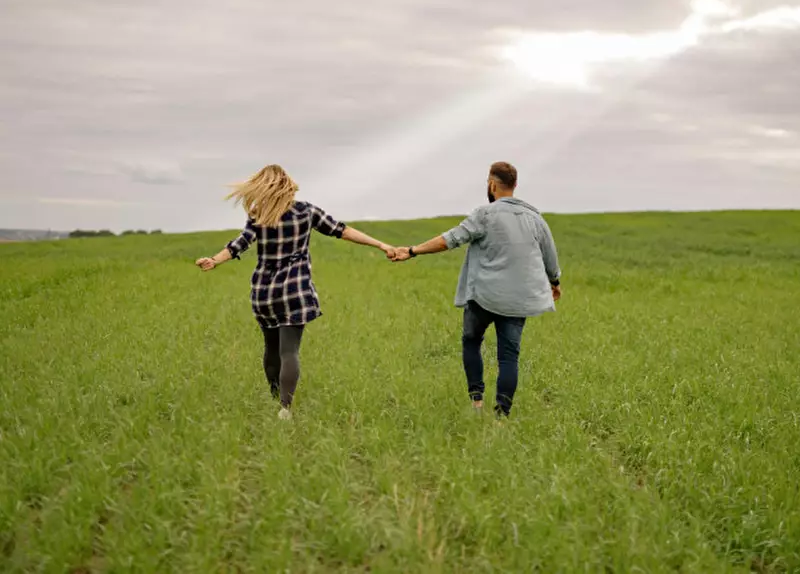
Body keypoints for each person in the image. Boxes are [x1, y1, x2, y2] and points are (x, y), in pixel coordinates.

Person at [195, 164, 395, 420]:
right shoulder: (306, 212)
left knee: (271, 348)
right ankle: (285, 409)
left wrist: (214, 259)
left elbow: (239, 244)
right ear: (288, 185)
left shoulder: (258, 215)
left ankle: (275, 399)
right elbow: (341, 230)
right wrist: (380, 244)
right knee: (289, 351)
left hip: (264, 293)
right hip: (295, 291)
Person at [391, 161, 561, 419]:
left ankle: (477, 402)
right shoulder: (535, 219)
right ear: (514, 186)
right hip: (517, 301)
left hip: (483, 297)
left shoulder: (485, 214)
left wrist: (413, 251)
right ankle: (502, 417)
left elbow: (450, 239)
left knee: (471, 341)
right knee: (508, 357)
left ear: (492, 184)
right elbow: (550, 258)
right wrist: (555, 282)